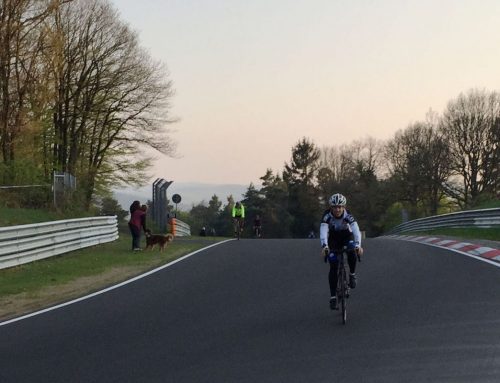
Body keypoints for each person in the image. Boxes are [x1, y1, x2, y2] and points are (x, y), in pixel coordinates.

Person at [320, 193, 363, 310]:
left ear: (343, 207)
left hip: (346, 237)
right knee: (333, 265)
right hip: (333, 239)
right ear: (331, 207)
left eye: (340, 207)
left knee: (352, 251)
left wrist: (358, 245)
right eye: (335, 207)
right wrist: (324, 246)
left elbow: (356, 230)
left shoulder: (348, 215)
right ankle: (333, 296)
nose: (337, 209)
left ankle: (352, 274)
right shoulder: (327, 216)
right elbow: (323, 231)